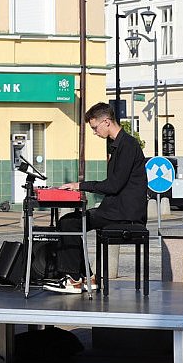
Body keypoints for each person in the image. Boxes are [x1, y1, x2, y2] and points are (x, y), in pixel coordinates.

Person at [52, 102, 147, 294]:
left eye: (95, 128)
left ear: (106, 122)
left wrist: (80, 185)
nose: (95, 132)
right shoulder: (118, 144)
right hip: (116, 209)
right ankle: (85, 277)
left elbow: (113, 185)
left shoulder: (127, 145)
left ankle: (76, 278)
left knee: (69, 223)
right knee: (69, 221)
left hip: (125, 213)